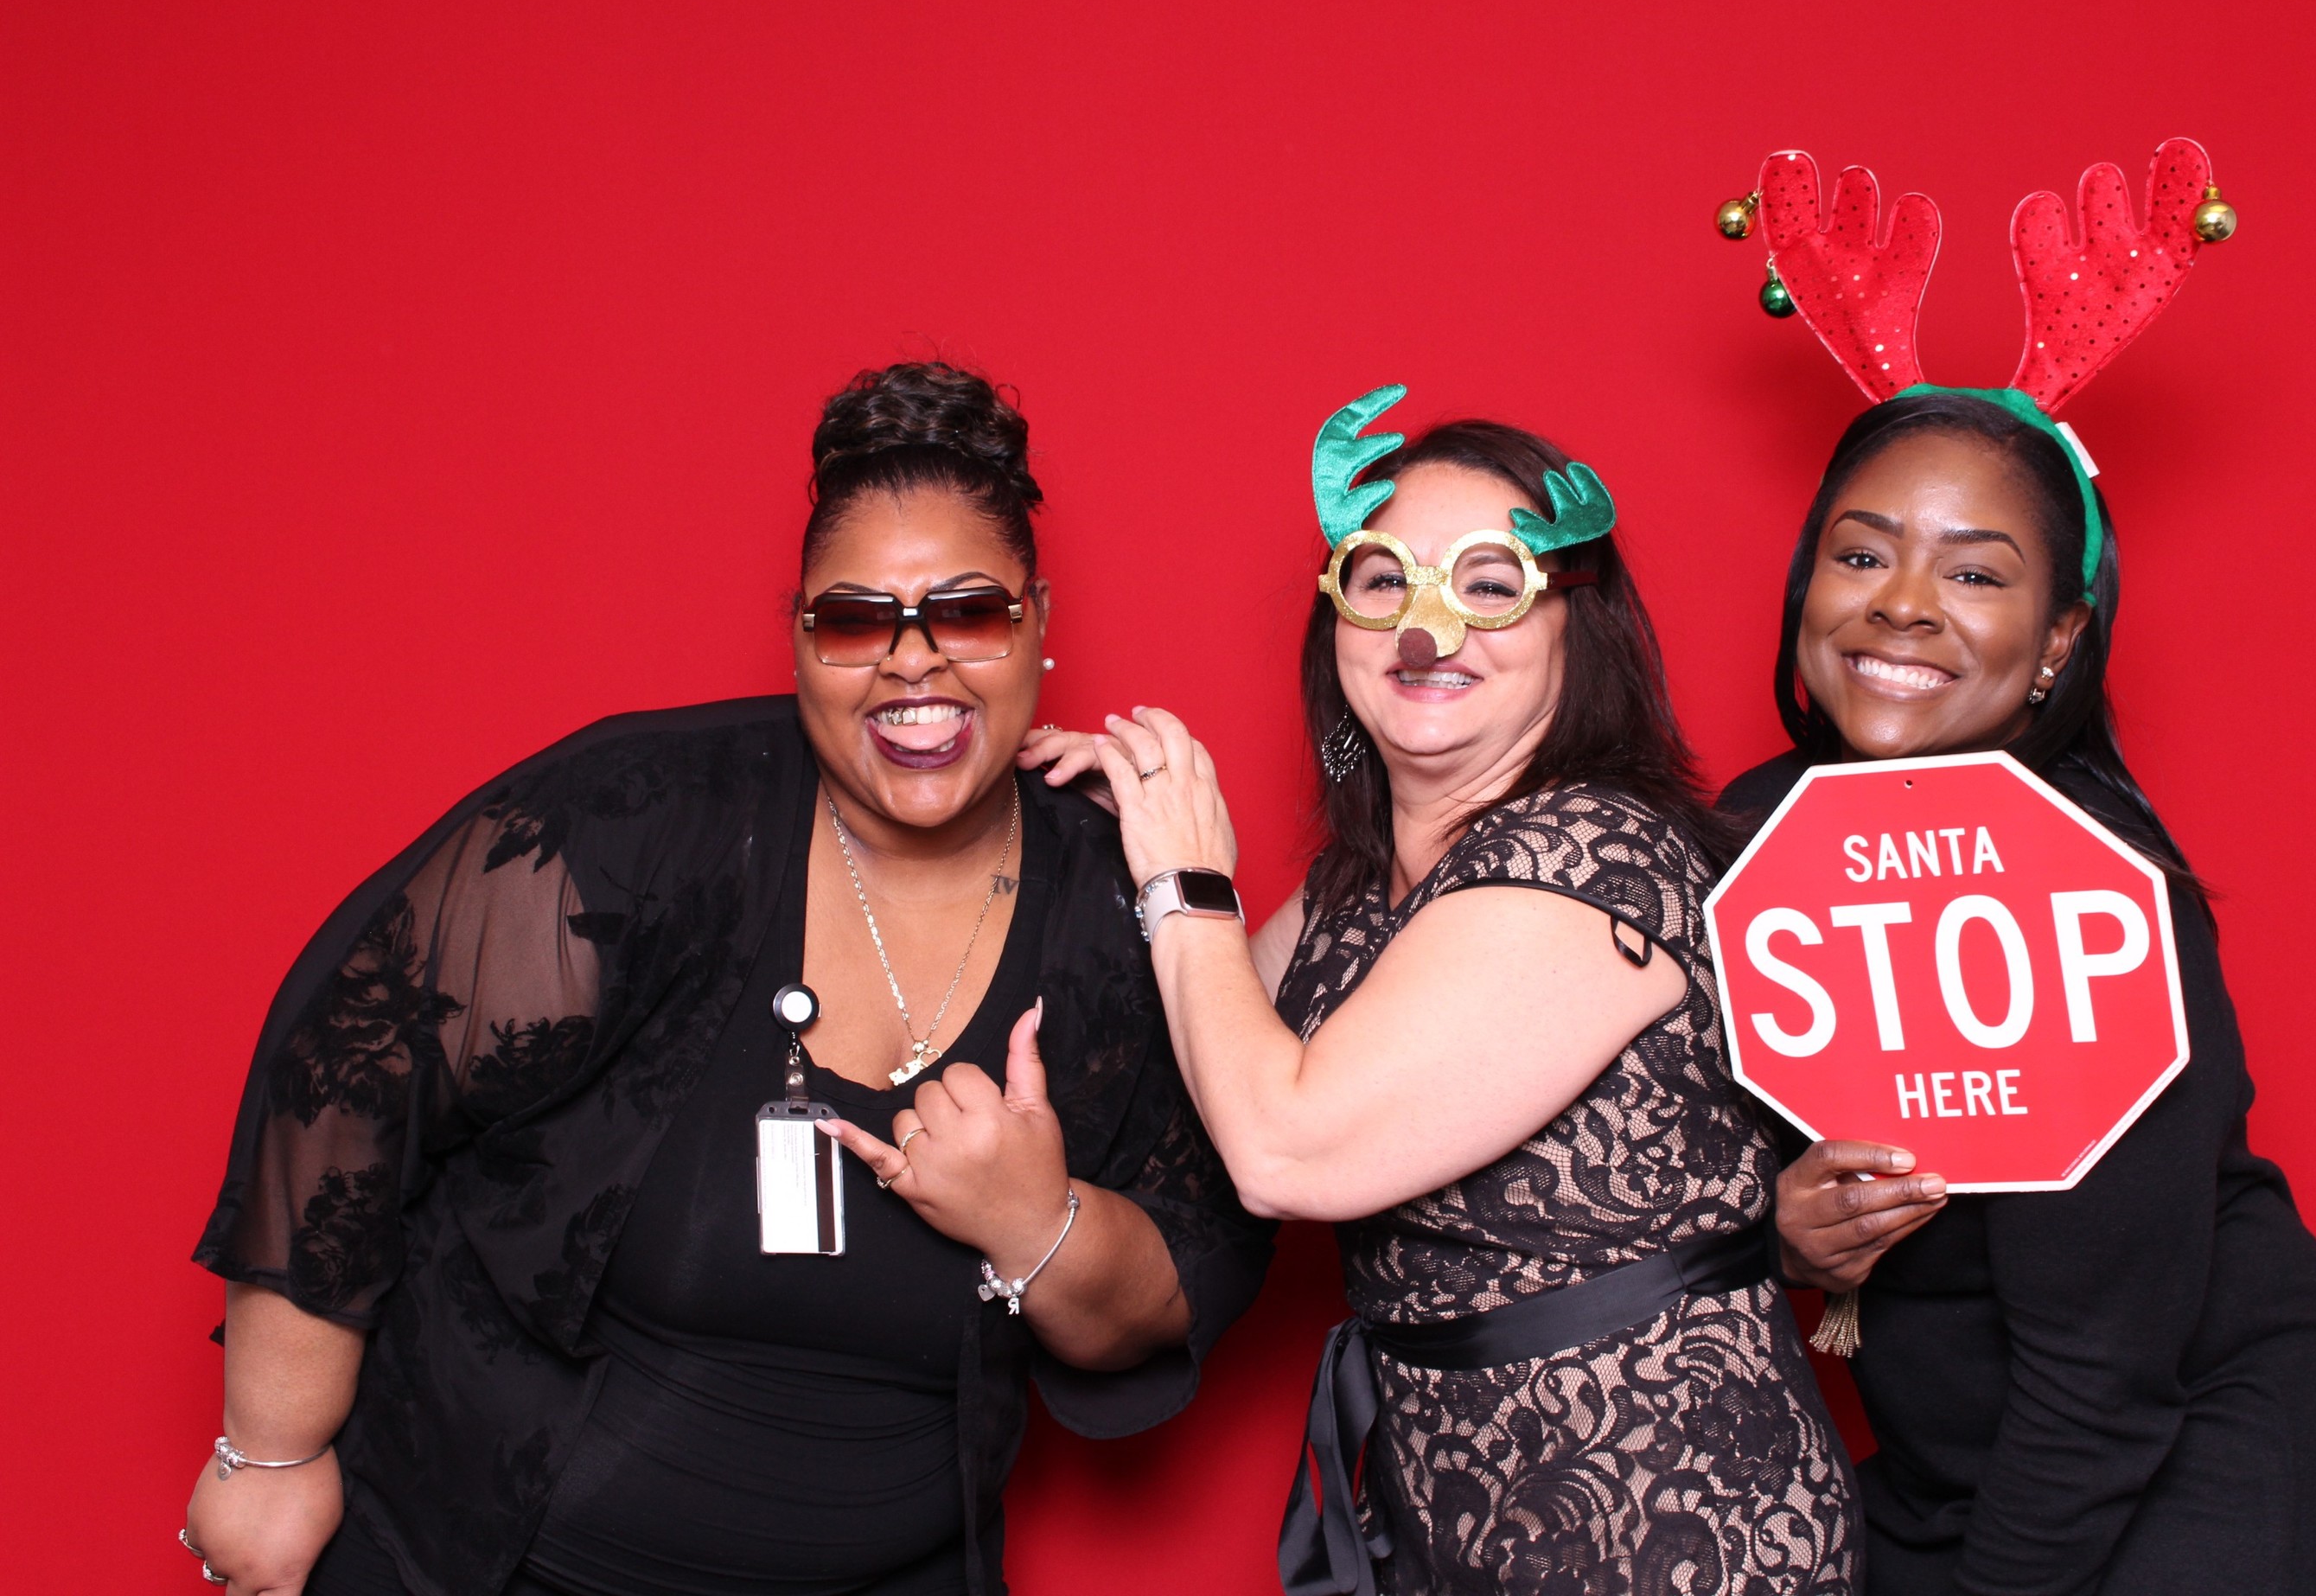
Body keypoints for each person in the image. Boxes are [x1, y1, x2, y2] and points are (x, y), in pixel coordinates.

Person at [183, 361, 1271, 1596]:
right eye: (855, 621)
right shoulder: (636, 825)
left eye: (967, 612)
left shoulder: (1117, 907)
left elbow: (1193, 1269)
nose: (913, 664)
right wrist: (268, 1455)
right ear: (800, 637)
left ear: (1036, 621)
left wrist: (1037, 1224)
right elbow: (354, 1065)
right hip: (487, 1557)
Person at [1719, 145, 2316, 1593]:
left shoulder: (2094, 892)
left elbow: (2100, 1386)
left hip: (2218, 1447)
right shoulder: (1746, 838)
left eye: (1975, 573)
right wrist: (1776, 1231)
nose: (1903, 606)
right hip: (1960, 1463)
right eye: (1862, 556)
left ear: (2060, 639)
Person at [1025, 385, 1860, 1595]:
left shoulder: (1593, 856)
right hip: (1450, 1526)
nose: (1427, 629)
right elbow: (1187, 1082)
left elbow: (1283, 1147)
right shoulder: (1356, 890)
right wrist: (1082, 849)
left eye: (1489, 584)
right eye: (1383, 581)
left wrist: (1189, 882)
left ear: (1576, 628)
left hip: (1674, 1532)